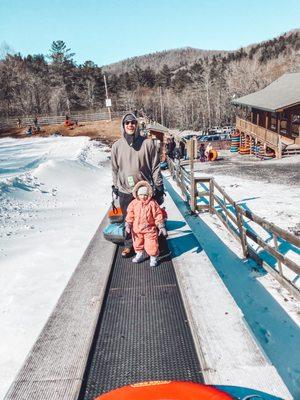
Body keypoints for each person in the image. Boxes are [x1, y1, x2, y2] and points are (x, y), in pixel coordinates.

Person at [111, 112, 164, 258]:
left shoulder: (147, 144)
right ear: (123, 125)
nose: (130, 125)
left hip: (143, 191)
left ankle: (151, 245)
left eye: (132, 122)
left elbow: (155, 166)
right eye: (127, 123)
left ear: (137, 125)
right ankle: (129, 245)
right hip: (125, 190)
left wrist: (159, 186)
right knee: (128, 219)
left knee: (147, 219)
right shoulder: (116, 146)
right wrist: (115, 185)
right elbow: (115, 169)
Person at [125, 181, 167, 267]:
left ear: (149, 194)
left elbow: (158, 214)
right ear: (137, 194)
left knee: (151, 244)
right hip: (137, 229)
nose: (143, 197)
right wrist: (128, 224)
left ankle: (153, 257)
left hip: (149, 229)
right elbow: (130, 214)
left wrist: (161, 226)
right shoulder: (134, 203)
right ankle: (139, 254)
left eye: (145, 195)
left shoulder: (152, 203)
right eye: (141, 195)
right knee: (137, 243)